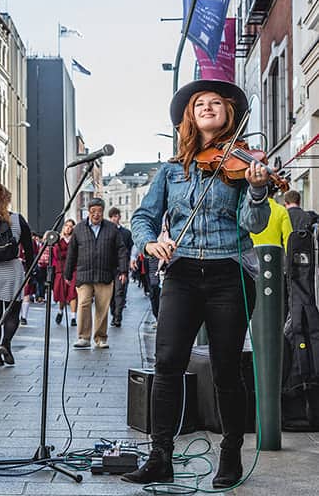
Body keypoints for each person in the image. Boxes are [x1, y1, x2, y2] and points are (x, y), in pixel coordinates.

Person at [126, 79, 270, 487]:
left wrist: (257, 191)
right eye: (199, 103)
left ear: (228, 113)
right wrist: (151, 242)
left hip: (230, 271)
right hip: (182, 272)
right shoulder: (172, 170)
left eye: (216, 103)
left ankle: (230, 455)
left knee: (227, 367)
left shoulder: (242, 166)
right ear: (190, 116)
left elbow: (252, 225)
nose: (208, 106)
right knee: (168, 362)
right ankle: (160, 456)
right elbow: (143, 218)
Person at [64, 197, 128, 349]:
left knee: (102, 307)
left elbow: (121, 250)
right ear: (88, 212)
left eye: (99, 211)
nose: (96, 214)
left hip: (105, 274)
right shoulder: (79, 228)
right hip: (84, 275)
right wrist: (67, 274)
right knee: (84, 304)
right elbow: (72, 252)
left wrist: (123, 270)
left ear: (103, 212)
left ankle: (100, 338)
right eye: (93, 211)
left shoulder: (111, 229)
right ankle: (83, 337)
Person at [0, 183, 34, 366]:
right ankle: (6, 343)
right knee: (12, 314)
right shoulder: (18, 220)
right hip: (12, 271)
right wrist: (29, 271)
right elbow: (29, 249)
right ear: (8, 199)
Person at [108, 207, 133, 327]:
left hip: (121, 267)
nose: (114, 219)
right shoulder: (105, 232)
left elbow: (129, 249)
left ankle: (118, 317)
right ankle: (114, 313)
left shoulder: (126, 233)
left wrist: (128, 263)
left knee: (119, 292)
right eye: (112, 216)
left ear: (119, 217)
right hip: (108, 267)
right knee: (110, 294)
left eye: (116, 216)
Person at [250, 184, 292, 251]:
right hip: (275, 256)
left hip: (251, 256)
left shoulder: (249, 210)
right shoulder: (281, 210)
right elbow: (288, 238)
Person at [52, 219, 77, 326]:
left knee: (72, 293)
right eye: (66, 225)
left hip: (73, 269)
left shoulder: (75, 240)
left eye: (71, 226)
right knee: (62, 293)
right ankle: (60, 311)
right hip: (61, 270)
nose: (68, 228)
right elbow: (56, 254)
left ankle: (73, 317)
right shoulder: (58, 240)